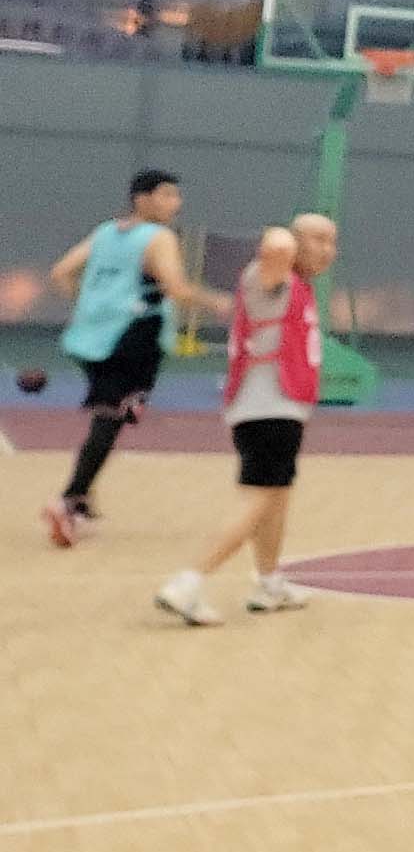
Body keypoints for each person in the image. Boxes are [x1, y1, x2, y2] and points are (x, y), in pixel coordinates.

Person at [154, 212, 336, 625]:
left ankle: (269, 583)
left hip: (276, 409)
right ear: (295, 241)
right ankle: (189, 582)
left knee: (276, 495)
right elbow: (277, 245)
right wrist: (284, 237)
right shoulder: (268, 276)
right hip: (268, 408)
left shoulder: (295, 286)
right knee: (257, 498)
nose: (328, 250)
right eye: (318, 240)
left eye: (332, 241)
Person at [42, 169, 226, 548]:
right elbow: (176, 288)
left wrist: (91, 306)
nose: (176, 203)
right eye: (167, 195)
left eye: (177, 195)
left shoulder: (106, 232)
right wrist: (221, 303)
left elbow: (61, 272)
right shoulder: (159, 238)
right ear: (142, 198)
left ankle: (82, 496)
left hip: (91, 338)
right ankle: (69, 501)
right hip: (133, 339)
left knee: (108, 414)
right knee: (111, 418)